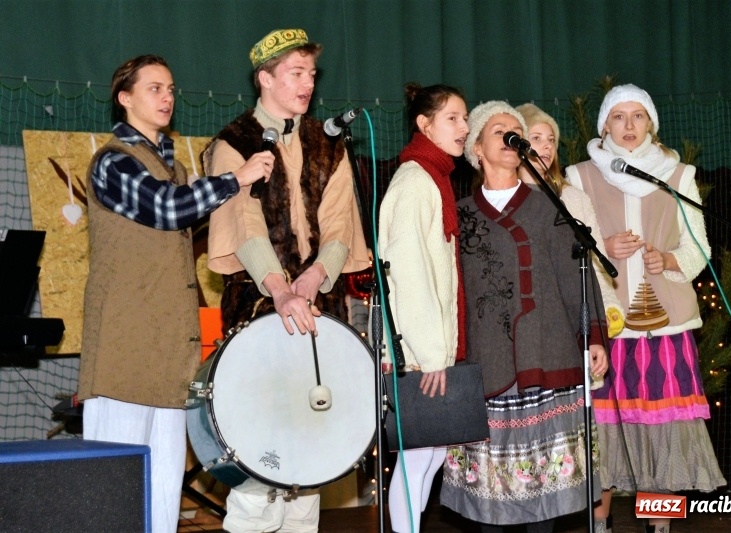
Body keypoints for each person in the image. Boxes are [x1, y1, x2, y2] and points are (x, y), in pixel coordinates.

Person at [78, 54, 271, 533]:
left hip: (168, 355)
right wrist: (236, 178)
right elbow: (169, 210)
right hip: (122, 357)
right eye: (154, 89)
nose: (167, 97)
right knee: (113, 495)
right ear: (125, 99)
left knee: (164, 493)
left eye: (170, 89)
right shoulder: (113, 162)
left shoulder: (174, 169)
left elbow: (187, 209)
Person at [202, 28, 370, 533]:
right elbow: (244, 222)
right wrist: (279, 288)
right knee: (261, 461)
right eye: (295, 73)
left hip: (319, 306)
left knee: (309, 460)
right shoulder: (234, 143)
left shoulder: (328, 141)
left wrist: (316, 276)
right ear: (265, 78)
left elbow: (340, 221)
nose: (307, 84)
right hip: (258, 308)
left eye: (311, 74)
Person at [439, 101, 609, 533]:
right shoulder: (458, 215)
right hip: (486, 363)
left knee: (544, 499)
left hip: (548, 356)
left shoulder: (548, 207)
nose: (511, 137)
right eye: (500, 130)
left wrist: (592, 336)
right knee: (492, 499)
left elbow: (577, 279)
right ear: (476, 147)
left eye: (517, 131)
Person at [564, 84, 726, 533]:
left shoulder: (677, 174)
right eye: (619, 117)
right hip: (609, 325)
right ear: (604, 125)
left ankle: (660, 526)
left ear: (651, 123)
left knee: (664, 432)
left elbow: (700, 249)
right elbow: (567, 247)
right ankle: (600, 525)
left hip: (665, 327)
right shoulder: (580, 176)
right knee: (606, 432)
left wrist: (671, 259)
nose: (629, 126)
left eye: (638, 116)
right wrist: (604, 248)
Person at [378, 82, 469, 533]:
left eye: (465, 118)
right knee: (416, 462)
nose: (464, 127)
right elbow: (409, 273)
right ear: (424, 124)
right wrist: (433, 354)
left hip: (430, 350)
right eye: (453, 117)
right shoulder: (416, 179)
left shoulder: (435, 176)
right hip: (418, 353)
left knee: (429, 458)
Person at [515, 103, 624, 340]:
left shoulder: (574, 198)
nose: (546, 145)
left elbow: (596, 261)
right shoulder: (506, 199)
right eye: (536, 137)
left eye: (551, 139)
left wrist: (608, 307)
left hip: (572, 317)